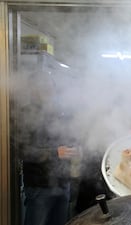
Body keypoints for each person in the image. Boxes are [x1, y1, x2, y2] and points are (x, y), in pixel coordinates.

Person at [16, 72, 80, 225]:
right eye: (43, 88)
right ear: (33, 90)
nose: (49, 91)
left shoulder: (61, 112)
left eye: (51, 87)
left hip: (63, 184)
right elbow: (23, 151)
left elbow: (69, 139)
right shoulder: (26, 115)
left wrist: (75, 146)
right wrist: (55, 153)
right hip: (40, 188)